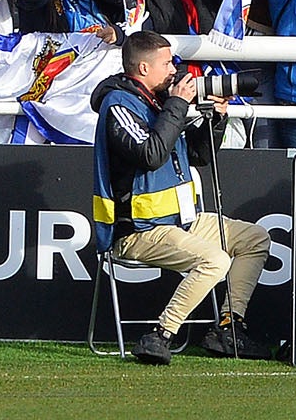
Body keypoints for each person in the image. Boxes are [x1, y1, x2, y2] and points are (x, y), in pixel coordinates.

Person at [93, 30, 278, 364]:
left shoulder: (158, 103)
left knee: (256, 238)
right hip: (136, 229)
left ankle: (229, 326)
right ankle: (161, 334)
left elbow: (197, 155)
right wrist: (177, 105)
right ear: (144, 68)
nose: (174, 71)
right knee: (216, 260)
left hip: (181, 221)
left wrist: (217, 120)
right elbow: (149, 153)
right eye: (167, 63)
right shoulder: (118, 104)